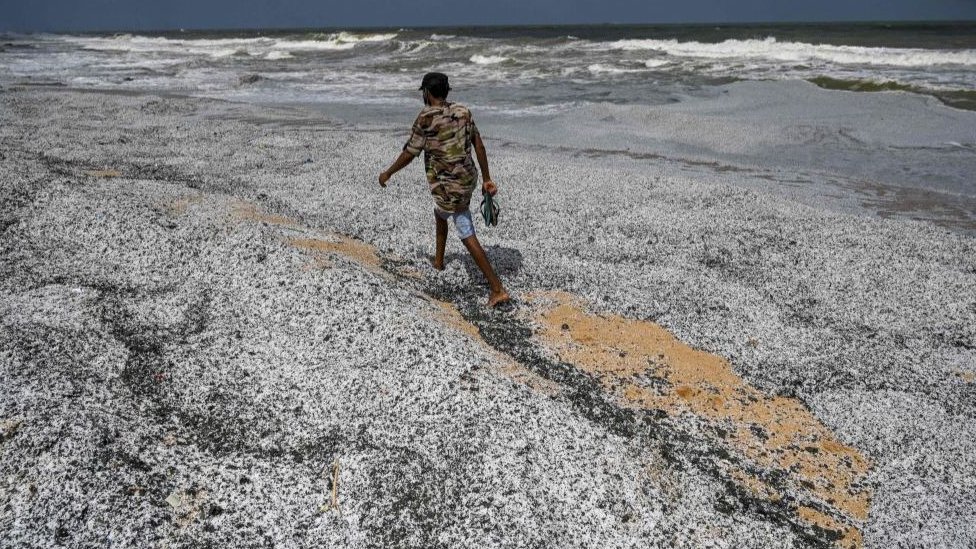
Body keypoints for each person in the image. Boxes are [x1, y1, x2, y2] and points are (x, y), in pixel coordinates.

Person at [379, 72, 510, 307]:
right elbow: (478, 144)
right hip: (468, 178)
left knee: (464, 227)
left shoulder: (426, 117)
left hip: (449, 184)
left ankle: (497, 288)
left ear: (427, 93)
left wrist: (388, 172)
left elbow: (410, 152)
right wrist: (487, 178)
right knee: (440, 212)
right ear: (447, 91)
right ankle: (438, 262)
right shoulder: (463, 111)